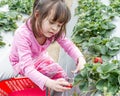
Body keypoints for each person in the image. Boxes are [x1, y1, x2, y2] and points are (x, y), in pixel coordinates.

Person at [9, 0, 86, 95]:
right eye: (52, 22)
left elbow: (69, 45)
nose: (55, 28)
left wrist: (80, 58)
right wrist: (49, 82)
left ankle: (50, 90)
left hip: (40, 57)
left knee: (61, 78)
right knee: (38, 87)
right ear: (37, 15)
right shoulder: (23, 35)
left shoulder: (53, 31)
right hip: (21, 63)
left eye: (59, 25)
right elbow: (27, 67)